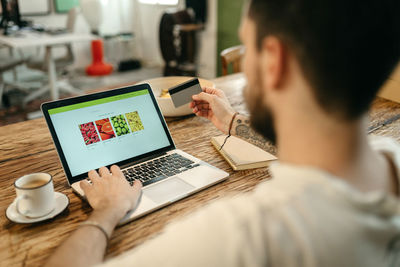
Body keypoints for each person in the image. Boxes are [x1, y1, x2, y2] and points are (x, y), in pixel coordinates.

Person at [46, 0, 400, 266]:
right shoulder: (389, 158)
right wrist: (233, 124)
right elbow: (320, 151)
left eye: (247, 46)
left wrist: (107, 210)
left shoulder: (239, 239)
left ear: (274, 62)